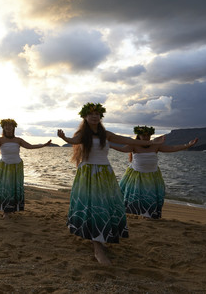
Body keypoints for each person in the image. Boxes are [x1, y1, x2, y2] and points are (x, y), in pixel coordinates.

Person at [56, 103, 162, 265]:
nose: (94, 116)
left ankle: (100, 238)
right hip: (88, 174)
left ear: (101, 117)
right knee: (93, 206)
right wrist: (64, 138)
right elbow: (73, 140)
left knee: (105, 206)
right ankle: (97, 246)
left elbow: (127, 141)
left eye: (97, 114)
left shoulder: (106, 134)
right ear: (85, 117)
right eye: (91, 114)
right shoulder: (82, 134)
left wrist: (154, 143)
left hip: (105, 173)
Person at [0, 119, 52, 219]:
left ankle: (13, 208)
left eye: (10, 126)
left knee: (14, 188)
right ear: (3, 128)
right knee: (6, 188)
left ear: (14, 128)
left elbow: (30, 146)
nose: (8, 127)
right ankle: (6, 211)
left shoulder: (18, 140)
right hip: (5, 166)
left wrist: (44, 145)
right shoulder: (0, 140)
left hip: (17, 166)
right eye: (6, 126)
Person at [115, 125, 198, 219]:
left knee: (150, 196)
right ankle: (134, 213)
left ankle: (149, 214)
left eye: (148, 135)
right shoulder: (134, 145)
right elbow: (122, 149)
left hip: (153, 175)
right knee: (135, 195)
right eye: (143, 135)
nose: (146, 137)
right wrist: (109, 145)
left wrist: (187, 145)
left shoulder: (155, 146)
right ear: (139, 136)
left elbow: (172, 148)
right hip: (137, 174)